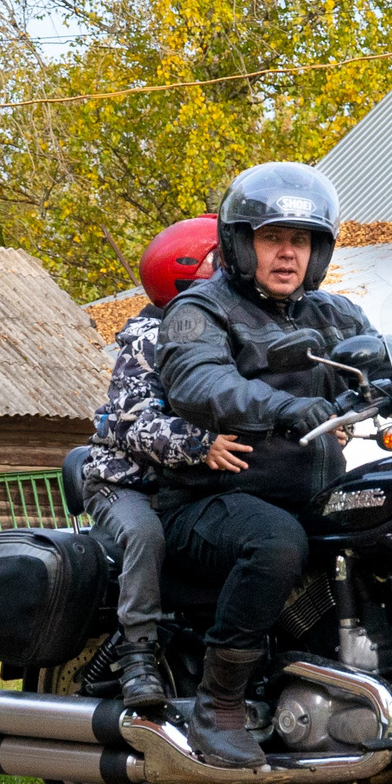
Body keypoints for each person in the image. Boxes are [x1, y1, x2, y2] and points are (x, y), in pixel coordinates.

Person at [156, 161, 375, 768]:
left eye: (300, 240)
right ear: (240, 243)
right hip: (204, 503)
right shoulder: (200, 309)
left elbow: (391, 361)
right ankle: (218, 704)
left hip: (313, 493)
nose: (287, 254)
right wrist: (283, 406)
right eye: (272, 238)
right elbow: (199, 381)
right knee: (276, 541)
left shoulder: (336, 316)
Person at [82, 215, 250, 713]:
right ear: (190, 275)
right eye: (225, 261)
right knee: (145, 535)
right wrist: (202, 445)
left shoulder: (228, 331)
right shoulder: (147, 339)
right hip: (127, 483)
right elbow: (136, 424)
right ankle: (137, 652)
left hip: (188, 485)